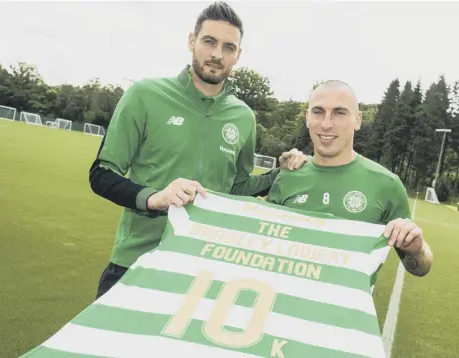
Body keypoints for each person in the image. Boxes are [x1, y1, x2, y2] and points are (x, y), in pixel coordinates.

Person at [89, 1, 308, 299]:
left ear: (238, 55)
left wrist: (279, 172)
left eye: (228, 47)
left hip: (202, 271)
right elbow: (102, 173)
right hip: (136, 263)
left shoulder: (244, 117)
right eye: (209, 42)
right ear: (192, 41)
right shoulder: (145, 95)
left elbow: (238, 187)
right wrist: (155, 198)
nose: (217, 54)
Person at [266, 80, 433, 277]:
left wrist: (417, 251)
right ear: (307, 118)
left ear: (358, 120)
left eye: (340, 112)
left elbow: (418, 268)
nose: (327, 124)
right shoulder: (288, 176)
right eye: (318, 111)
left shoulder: (386, 184)